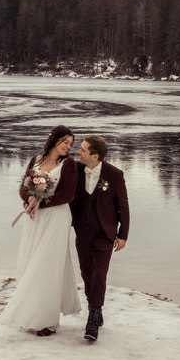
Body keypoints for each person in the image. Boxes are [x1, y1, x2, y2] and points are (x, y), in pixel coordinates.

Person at [0, 125, 82, 336]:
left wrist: (39, 203)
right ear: (54, 140)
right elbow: (23, 188)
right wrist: (28, 202)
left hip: (57, 218)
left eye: (71, 144)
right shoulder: (35, 160)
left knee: (47, 264)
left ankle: (48, 321)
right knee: (31, 260)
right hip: (35, 219)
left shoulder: (68, 164)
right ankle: (30, 313)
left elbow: (67, 195)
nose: (68, 147)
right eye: (65, 142)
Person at [70, 134, 129, 342]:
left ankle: (93, 318)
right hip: (82, 231)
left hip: (105, 233)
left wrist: (123, 236)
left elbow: (123, 206)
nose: (79, 152)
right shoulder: (76, 170)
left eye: (83, 150)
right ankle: (96, 307)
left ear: (94, 156)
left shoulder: (114, 175)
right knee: (86, 273)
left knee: (99, 274)